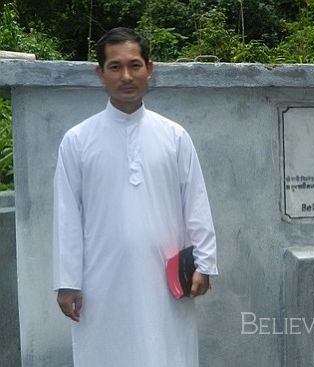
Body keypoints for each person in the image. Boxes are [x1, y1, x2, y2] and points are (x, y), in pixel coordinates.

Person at [52, 27, 218, 367]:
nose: (126, 76)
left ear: (150, 69)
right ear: (100, 74)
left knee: (168, 353)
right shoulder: (78, 140)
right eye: (115, 67)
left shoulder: (174, 136)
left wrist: (205, 262)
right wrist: (67, 282)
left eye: (134, 65)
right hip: (101, 281)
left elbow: (196, 203)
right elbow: (67, 214)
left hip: (166, 279)